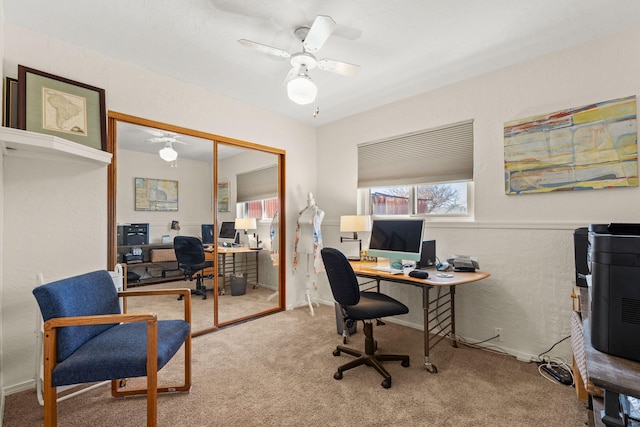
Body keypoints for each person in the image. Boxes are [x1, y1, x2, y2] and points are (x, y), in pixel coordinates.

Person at [293, 192, 324, 273]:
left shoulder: (319, 213)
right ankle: (307, 284)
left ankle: (311, 284)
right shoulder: (302, 213)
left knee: (311, 270)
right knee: (304, 270)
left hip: (311, 245)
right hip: (301, 243)